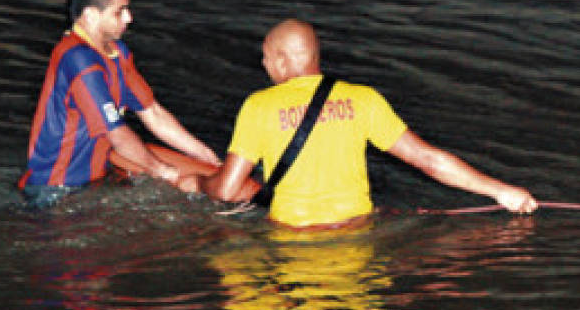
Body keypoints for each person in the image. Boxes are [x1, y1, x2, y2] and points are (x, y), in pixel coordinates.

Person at [201, 19, 537, 228]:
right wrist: (502, 191)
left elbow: (228, 190)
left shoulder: (259, 106)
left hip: (292, 242)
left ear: (283, 59)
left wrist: (199, 184)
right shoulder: (363, 99)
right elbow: (427, 159)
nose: (263, 64)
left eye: (265, 57)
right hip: (356, 234)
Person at [19, 0, 219, 206]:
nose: (129, 18)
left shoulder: (117, 52)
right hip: (53, 193)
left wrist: (205, 155)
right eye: (119, 11)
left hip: (92, 184)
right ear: (91, 15)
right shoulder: (77, 58)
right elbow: (116, 134)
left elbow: (152, 112)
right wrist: (166, 173)